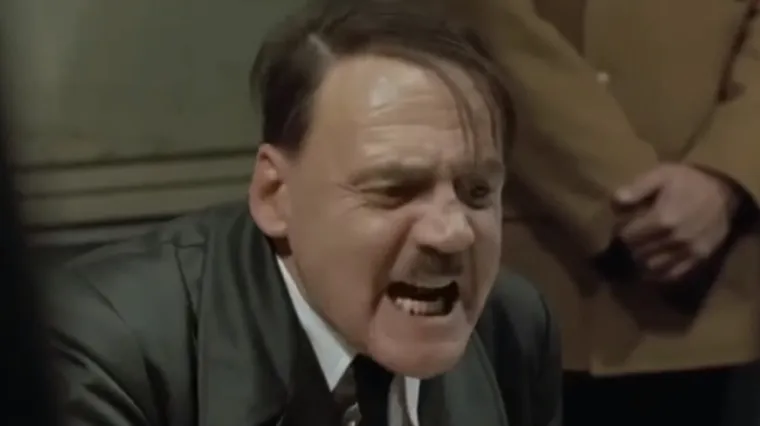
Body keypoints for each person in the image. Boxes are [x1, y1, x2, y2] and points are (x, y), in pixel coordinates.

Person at [47, 2, 561, 425]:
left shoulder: (511, 329)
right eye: (395, 191)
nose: (451, 233)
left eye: (476, 192)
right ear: (275, 195)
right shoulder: (110, 345)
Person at [445, 0, 760, 424]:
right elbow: (489, 23)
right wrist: (629, 199)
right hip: (535, 265)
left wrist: (726, 175)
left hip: (726, 289)